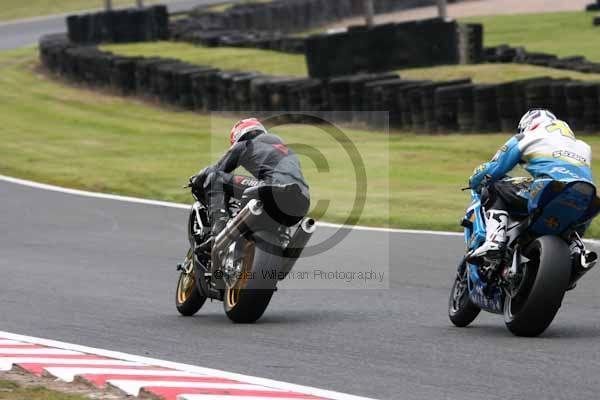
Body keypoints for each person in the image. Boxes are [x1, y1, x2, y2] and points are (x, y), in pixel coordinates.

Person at [468, 109, 595, 260]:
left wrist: (474, 180)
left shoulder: (526, 137)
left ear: (527, 125)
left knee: (494, 186)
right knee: (573, 221)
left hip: (550, 188)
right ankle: (576, 252)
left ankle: (495, 241)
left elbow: (494, 169)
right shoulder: (584, 146)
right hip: (587, 196)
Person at [190, 118, 310, 251]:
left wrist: (196, 180)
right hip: (302, 201)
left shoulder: (247, 144)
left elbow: (216, 170)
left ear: (239, 136)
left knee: (215, 178)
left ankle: (218, 232)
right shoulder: (287, 150)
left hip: (272, 190)